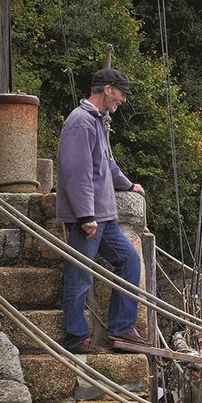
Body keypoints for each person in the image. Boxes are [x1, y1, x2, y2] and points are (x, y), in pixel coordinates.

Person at [56, 66, 147, 354]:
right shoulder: (81, 122)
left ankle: (121, 328)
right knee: (80, 274)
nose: (122, 99)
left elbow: (106, 164)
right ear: (107, 89)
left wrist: (128, 185)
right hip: (91, 217)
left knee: (129, 260)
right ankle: (76, 338)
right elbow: (75, 173)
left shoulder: (97, 121)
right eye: (121, 93)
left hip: (105, 216)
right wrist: (85, 216)